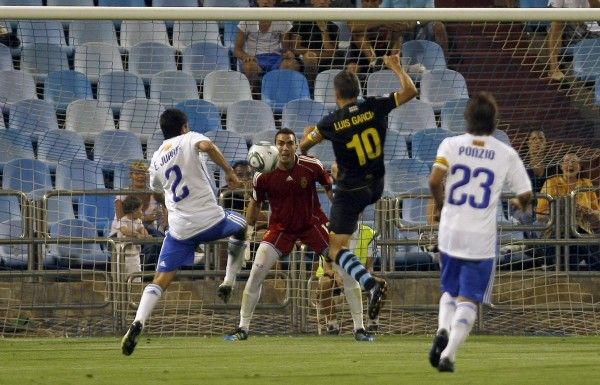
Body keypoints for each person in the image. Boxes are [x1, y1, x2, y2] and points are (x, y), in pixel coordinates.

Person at [223, 128, 375, 342]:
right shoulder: (262, 175)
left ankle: (359, 328)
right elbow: (255, 206)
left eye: (290, 143)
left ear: (296, 146)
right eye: (281, 143)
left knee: (346, 271)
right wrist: (246, 234)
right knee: (256, 273)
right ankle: (242, 328)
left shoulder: (311, 165)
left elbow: (332, 193)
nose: (285, 147)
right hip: (280, 229)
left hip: (313, 225)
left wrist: (346, 205)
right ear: (275, 147)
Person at [300, 54, 418, 322]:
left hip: (350, 192)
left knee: (335, 248)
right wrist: (397, 67)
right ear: (358, 91)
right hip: (376, 185)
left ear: (336, 93)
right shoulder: (376, 106)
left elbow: (304, 147)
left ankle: (371, 284)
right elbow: (411, 91)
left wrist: (309, 134)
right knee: (346, 238)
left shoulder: (330, 122)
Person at [121, 109, 248, 356]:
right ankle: (229, 280)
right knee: (242, 225)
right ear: (184, 126)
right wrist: (230, 173)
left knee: (161, 279)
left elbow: (157, 188)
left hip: (180, 229)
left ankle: (138, 322)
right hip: (210, 220)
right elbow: (208, 146)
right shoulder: (189, 138)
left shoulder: (156, 159)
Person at [428, 92, 533, 372]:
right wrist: (516, 202)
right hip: (480, 239)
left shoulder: (450, 144)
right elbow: (526, 194)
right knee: (469, 299)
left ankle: (441, 328)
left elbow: (435, 179)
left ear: (467, 118)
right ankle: (448, 355)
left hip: (450, 232)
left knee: (449, 290)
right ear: (495, 122)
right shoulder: (505, 153)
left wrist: (441, 206)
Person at [536, 152, 600, 269]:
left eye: (574, 161)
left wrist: (589, 212)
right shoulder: (551, 183)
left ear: (579, 167)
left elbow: (597, 214)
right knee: (578, 251)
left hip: (582, 232)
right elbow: (540, 216)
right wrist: (562, 210)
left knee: (574, 253)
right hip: (556, 234)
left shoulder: (587, 184)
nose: (570, 164)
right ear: (561, 166)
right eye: (566, 161)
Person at [112, 160, 167, 271]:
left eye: (143, 173)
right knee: (149, 241)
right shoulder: (123, 194)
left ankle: (148, 273)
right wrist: (146, 218)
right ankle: (139, 273)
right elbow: (122, 218)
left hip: (147, 229)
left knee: (158, 241)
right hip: (124, 229)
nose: (140, 176)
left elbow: (166, 204)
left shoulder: (154, 193)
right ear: (131, 175)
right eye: (137, 173)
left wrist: (166, 220)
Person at [234, 0, 301, 91]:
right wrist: (246, 56)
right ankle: (257, 93)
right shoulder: (247, 19)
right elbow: (237, 50)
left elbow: (285, 50)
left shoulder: (282, 19)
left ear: (274, 1)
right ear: (257, 1)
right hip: (255, 59)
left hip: (276, 58)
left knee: (291, 64)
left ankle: (280, 93)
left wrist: (288, 53)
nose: (265, 2)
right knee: (249, 66)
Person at [347, 0, 412, 75]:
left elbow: (409, 23)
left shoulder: (388, 14)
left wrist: (400, 26)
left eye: (373, 0)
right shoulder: (355, 14)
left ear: (380, 1)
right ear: (362, 2)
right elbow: (353, 27)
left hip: (386, 56)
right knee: (359, 34)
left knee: (398, 33)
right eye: (366, 0)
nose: (370, 4)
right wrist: (383, 21)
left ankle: (394, 61)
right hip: (360, 59)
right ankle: (374, 61)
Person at [289, 0, 344, 84]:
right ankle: (313, 85)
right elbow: (295, 48)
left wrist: (324, 31)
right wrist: (318, 54)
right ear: (312, 1)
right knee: (309, 57)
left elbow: (332, 53)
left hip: (326, 61)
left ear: (329, 2)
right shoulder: (301, 21)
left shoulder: (334, 27)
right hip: (303, 58)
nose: (322, 2)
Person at [547, 0, 600, 81]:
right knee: (557, 20)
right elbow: (555, 29)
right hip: (570, 26)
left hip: (593, 30)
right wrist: (553, 68)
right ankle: (554, 68)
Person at [380, 0, 449, 56]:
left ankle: (444, 63)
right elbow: (380, 15)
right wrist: (391, 23)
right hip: (399, 27)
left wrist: (415, 22)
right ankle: (396, 64)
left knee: (439, 26)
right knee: (397, 30)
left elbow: (430, 15)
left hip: (420, 23)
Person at [111, 195, 151, 283]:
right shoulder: (122, 220)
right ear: (133, 211)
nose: (142, 212)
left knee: (136, 278)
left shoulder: (138, 221)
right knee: (119, 279)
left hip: (134, 256)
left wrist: (146, 234)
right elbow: (124, 230)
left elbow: (142, 229)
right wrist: (137, 234)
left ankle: (134, 295)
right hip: (122, 256)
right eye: (140, 210)